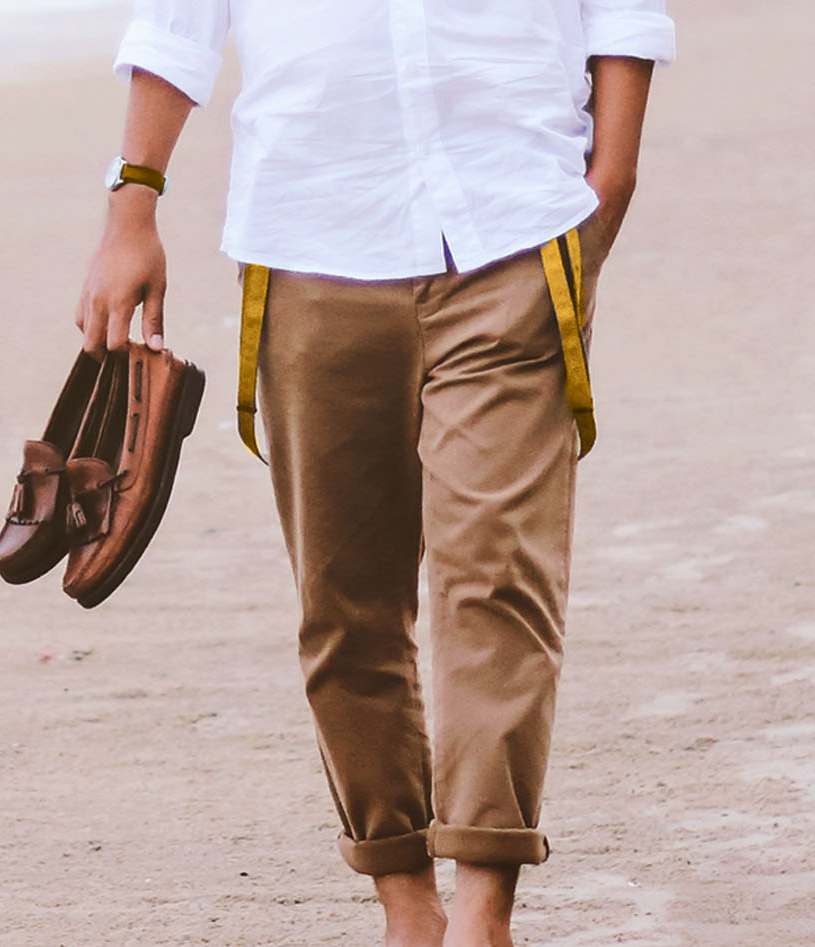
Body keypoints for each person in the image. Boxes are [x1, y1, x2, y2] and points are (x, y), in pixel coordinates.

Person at [75, 2, 674, 945]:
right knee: (344, 604)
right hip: (311, 240)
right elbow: (177, 21)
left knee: (498, 578)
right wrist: (131, 207)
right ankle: (407, 906)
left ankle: (482, 913)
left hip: (514, 228)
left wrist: (613, 180)